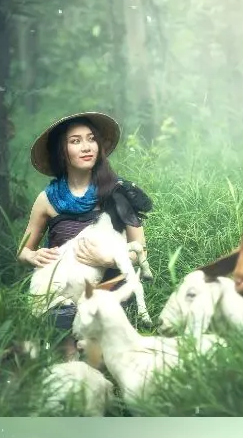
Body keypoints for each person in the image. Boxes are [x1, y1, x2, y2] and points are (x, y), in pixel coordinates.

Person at [18, 111, 153, 359]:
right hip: (66, 289)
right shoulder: (47, 199)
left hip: (111, 289)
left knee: (101, 351)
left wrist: (108, 260)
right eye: (75, 141)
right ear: (62, 151)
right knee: (65, 339)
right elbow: (23, 251)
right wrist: (33, 256)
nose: (86, 147)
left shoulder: (117, 192)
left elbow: (140, 248)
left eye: (91, 139)